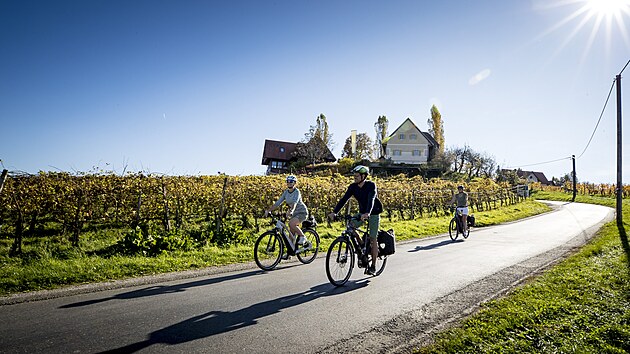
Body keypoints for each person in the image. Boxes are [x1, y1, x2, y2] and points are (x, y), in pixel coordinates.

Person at [328, 165, 383, 276]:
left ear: (363, 176)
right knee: (351, 227)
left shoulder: (371, 185)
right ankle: (362, 245)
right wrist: (335, 212)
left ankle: (373, 266)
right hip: (362, 212)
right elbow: (344, 199)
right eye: (354, 176)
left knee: (373, 239)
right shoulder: (353, 187)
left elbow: (371, 199)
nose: (355, 178)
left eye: (357, 176)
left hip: (373, 212)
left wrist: (368, 213)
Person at [265, 175, 309, 255]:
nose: (289, 183)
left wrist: (291, 210)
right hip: (293, 213)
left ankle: (303, 237)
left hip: (301, 212)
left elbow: (295, 203)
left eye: (291, 181)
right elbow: (278, 203)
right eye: (287, 181)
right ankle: (290, 252)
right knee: (291, 234)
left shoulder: (297, 191)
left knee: (291, 224)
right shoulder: (286, 192)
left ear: (294, 183)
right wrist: (269, 210)